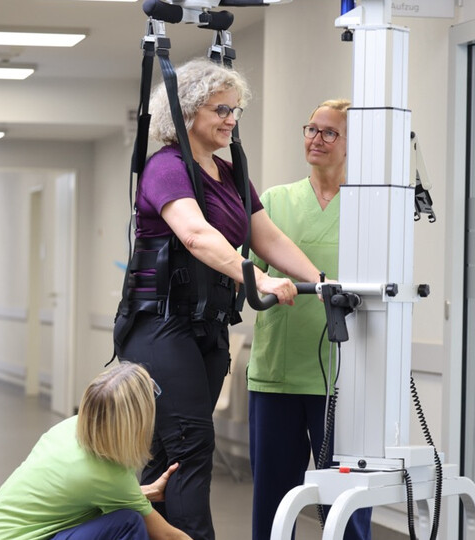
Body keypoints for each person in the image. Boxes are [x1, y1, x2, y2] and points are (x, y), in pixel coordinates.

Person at [113, 58, 324, 540]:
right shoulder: (165, 167)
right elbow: (195, 235)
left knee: (167, 453)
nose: (232, 119)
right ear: (187, 113)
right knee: (191, 444)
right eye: (221, 109)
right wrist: (260, 280)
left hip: (207, 329)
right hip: (158, 328)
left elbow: (267, 236)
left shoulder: (230, 174)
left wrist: (322, 280)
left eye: (237, 110)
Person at [247, 99, 373, 540]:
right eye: (311, 129)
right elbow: (250, 275)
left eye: (329, 132)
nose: (316, 139)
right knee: (274, 506)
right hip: (277, 374)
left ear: (352, 143)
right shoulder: (273, 201)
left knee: (346, 505)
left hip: (344, 378)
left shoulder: (369, 208)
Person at [0, 363, 192, 540]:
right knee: (129, 523)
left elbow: (86, 491)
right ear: (136, 421)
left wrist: (145, 492)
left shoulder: (68, 428)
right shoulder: (110, 475)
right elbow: (168, 535)